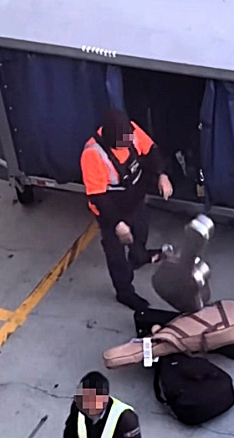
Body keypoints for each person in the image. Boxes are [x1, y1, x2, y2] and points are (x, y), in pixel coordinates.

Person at [80, 107, 174, 311]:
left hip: (135, 200)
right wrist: (117, 224)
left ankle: (139, 257)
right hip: (110, 210)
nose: (128, 143)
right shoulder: (93, 154)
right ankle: (124, 292)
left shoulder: (130, 131)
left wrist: (162, 174)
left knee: (140, 230)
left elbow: (151, 150)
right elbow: (98, 197)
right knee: (116, 253)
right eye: (122, 142)